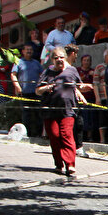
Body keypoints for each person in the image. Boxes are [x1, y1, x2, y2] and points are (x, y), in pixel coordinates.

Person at [36, 47, 86, 176]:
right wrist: (46, 88)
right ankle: (59, 164)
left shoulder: (72, 71)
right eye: (56, 58)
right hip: (50, 110)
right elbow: (37, 91)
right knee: (54, 136)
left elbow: (78, 86)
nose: (59, 60)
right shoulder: (47, 72)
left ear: (65, 58)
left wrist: (82, 92)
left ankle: (70, 164)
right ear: (52, 60)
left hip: (67, 109)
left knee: (66, 135)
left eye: (61, 57)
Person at [11, 42, 43, 137]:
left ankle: (38, 134)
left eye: (31, 50)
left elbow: (42, 75)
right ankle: (27, 134)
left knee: (38, 114)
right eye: (27, 50)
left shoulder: (36, 63)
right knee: (26, 114)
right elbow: (13, 74)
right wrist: (17, 86)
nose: (29, 51)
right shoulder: (18, 62)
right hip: (24, 92)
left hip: (36, 93)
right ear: (23, 51)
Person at [76, 53, 97, 144]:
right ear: (81, 61)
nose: (86, 62)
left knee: (91, 117)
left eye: (88, 60)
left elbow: (95, 84)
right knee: (81, 118)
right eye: (85, 60)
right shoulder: (77, 71)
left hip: (91, 98)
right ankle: (81, 136)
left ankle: (90, 136)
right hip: (80, 99)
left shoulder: (93, 72)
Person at [93, 47, 108, 145]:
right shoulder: (99, 67)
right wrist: (97, 98)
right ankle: (102, 139)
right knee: (102, 118)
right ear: (105, 56)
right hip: (102, 97)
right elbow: (95, 83)